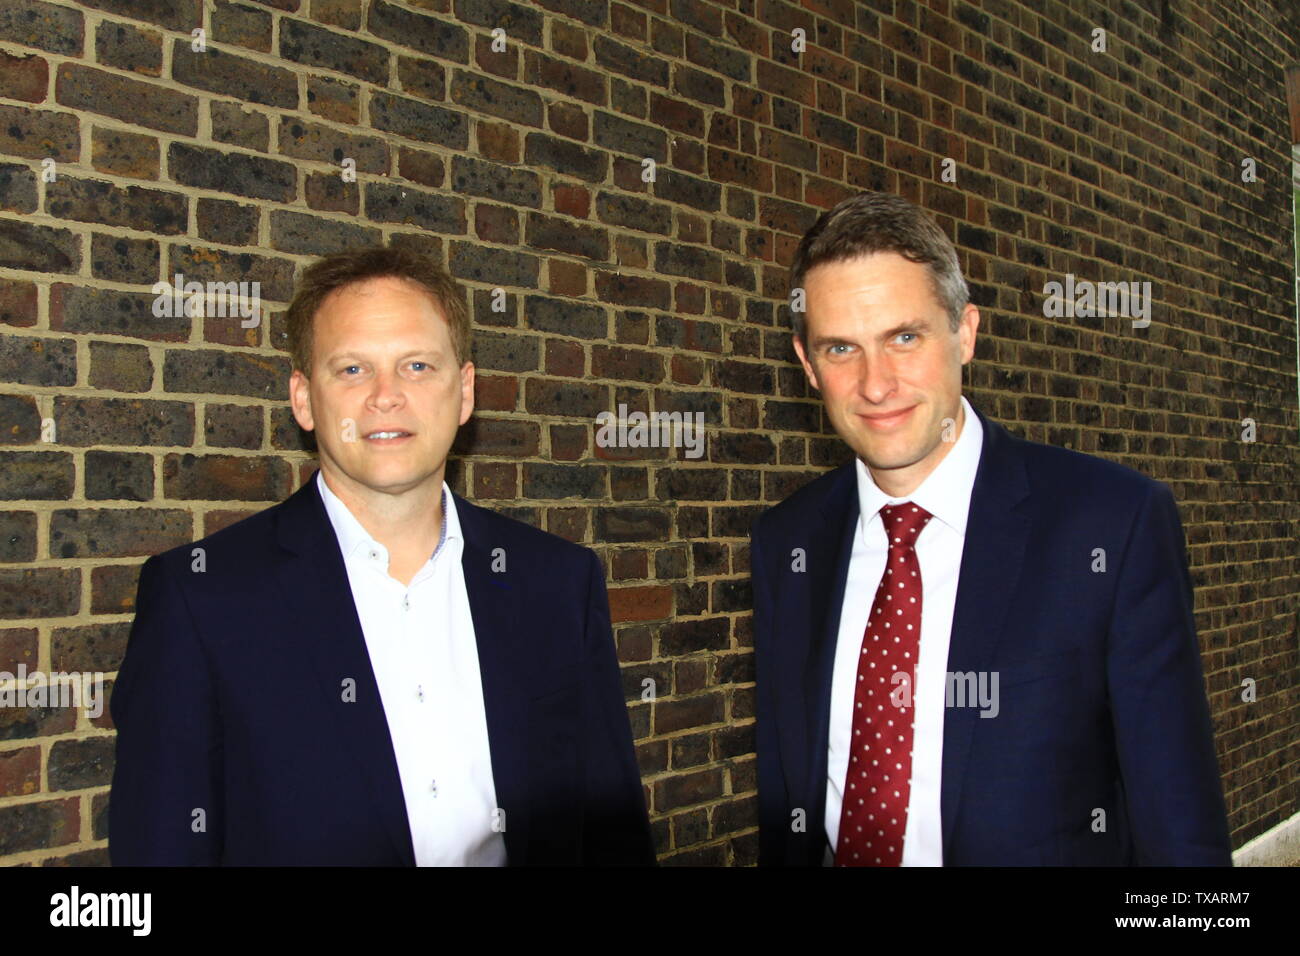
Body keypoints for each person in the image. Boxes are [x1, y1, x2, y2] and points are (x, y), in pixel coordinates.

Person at [110, 246, 654, 865]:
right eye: (351, 370)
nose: (386, 396)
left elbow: (612, 833)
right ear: (304, 400)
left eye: (418, 365)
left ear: (466, 391)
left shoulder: (557, 583)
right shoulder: (201, 600)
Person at [751, 191, 1232, 866]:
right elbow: (787, 798)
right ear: (808, 366)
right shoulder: (787, 544)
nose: (876, 384)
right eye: (841, 349)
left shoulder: (1111, 526)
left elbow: (1180, 830)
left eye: (905, 337)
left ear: (966, 332)